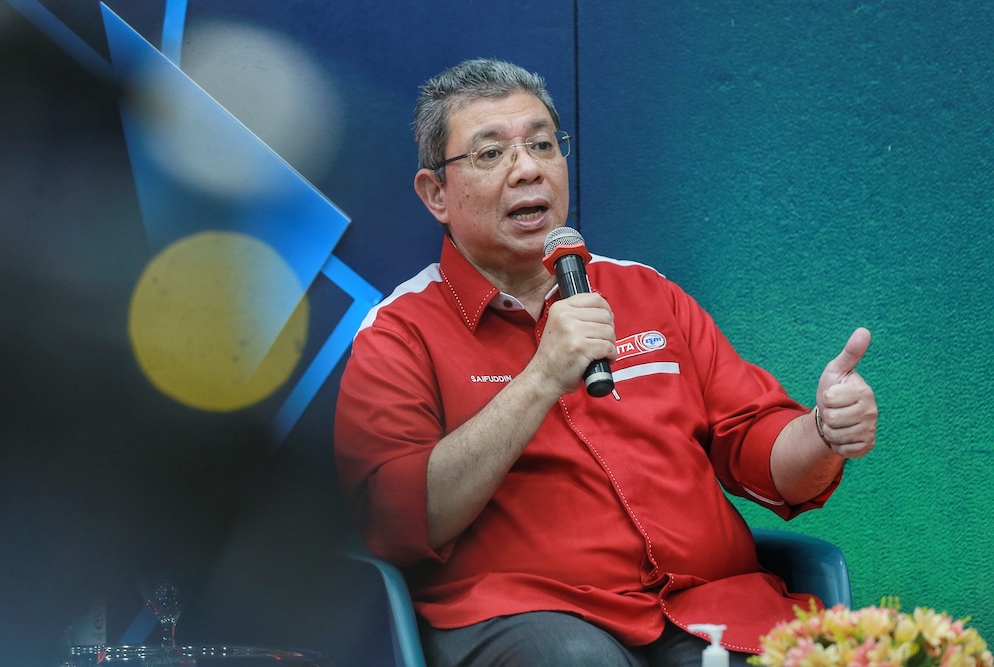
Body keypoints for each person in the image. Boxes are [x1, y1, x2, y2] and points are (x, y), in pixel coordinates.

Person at [333, 58, 877, 667]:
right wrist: (541, 378)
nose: (529, 170)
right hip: (530, 621)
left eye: (542, 145)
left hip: (709, 609)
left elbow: (759, 453)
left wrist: (824, 433)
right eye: (491, 155)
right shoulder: (400, 331)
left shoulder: (648, 293)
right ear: (436, 193)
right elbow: (397, 522)